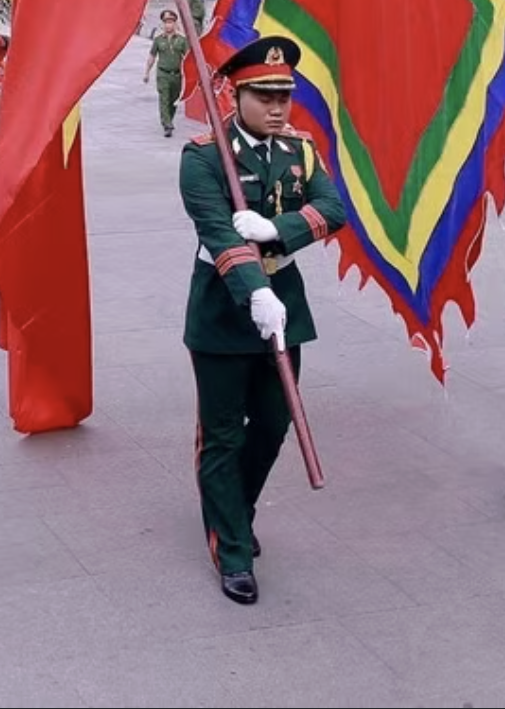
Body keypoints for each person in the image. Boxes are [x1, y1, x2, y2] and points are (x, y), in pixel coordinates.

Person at [179, 35, 346, 605]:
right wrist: (255, 291)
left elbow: (333, 209)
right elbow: (218, 232)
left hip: (285, 304)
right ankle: (231, 549)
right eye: (264, 96)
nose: (278, 108)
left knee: (274, 422)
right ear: (235, 95)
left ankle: (234, 510)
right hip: (224, 308)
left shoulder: (300, 150)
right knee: (223, 433)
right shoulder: (204, 157)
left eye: (284, 97)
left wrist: (278, 230)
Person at [144, 8, 189, 137]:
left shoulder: (181, 40)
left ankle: (169, 119)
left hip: (177, 75)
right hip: (163, 74)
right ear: (162, 24)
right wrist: (147, 72)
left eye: (170, 22)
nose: (168, 25)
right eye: (166, 22)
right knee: (164, 98)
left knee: (173, 100)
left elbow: (188, 57)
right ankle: (167, 125)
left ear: (175, 23)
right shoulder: (158, 40)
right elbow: (152, 56)